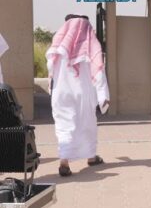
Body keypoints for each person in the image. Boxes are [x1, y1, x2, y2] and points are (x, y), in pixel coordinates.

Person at [47, 15, 110, 177]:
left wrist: (51, 89)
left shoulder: (58, 44)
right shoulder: (92, 44)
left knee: (64, 126)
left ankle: (64, 161)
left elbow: (50, 68)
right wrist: (103, 95)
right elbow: (99, 72)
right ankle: (91, 157)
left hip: (61, 93)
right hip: (83, 94)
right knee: (87, 125)